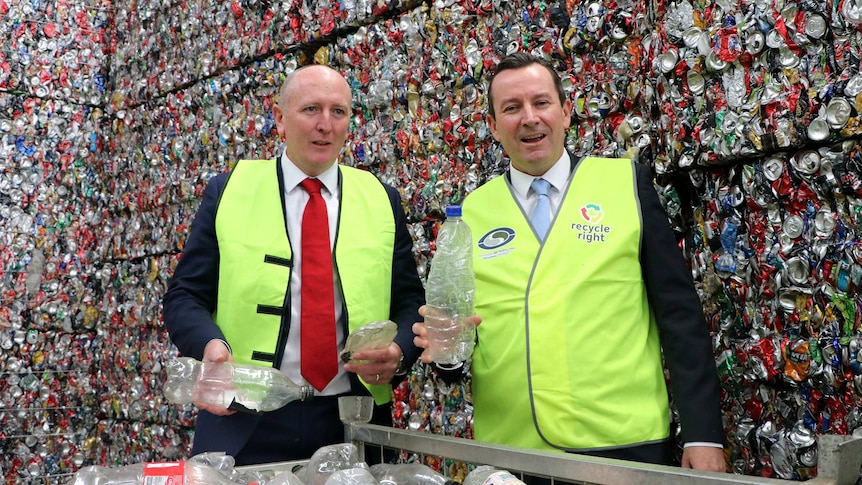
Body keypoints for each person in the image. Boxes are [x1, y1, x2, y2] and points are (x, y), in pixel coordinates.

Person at [413, 52, 727, 472]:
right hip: (513, 453)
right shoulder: (470, 213)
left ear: (565, 111)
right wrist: (447, 353)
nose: (529, 118)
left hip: (622, 443)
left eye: (541, 103)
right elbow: (455, 344)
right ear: (491, 126)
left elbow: (680, 316)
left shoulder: (625, 184)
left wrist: (703, 434)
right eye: (511, 108)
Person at [163, 64, 425, 465]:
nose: (325, 125)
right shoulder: (229, 190)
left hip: (351, 419)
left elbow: (409, 301)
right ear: (279, 117)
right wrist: (210, 346)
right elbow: (185, 296)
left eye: (338, 112)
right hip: (244, 418)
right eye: (311, 110)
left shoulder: (381, 198)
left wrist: (400, 352)